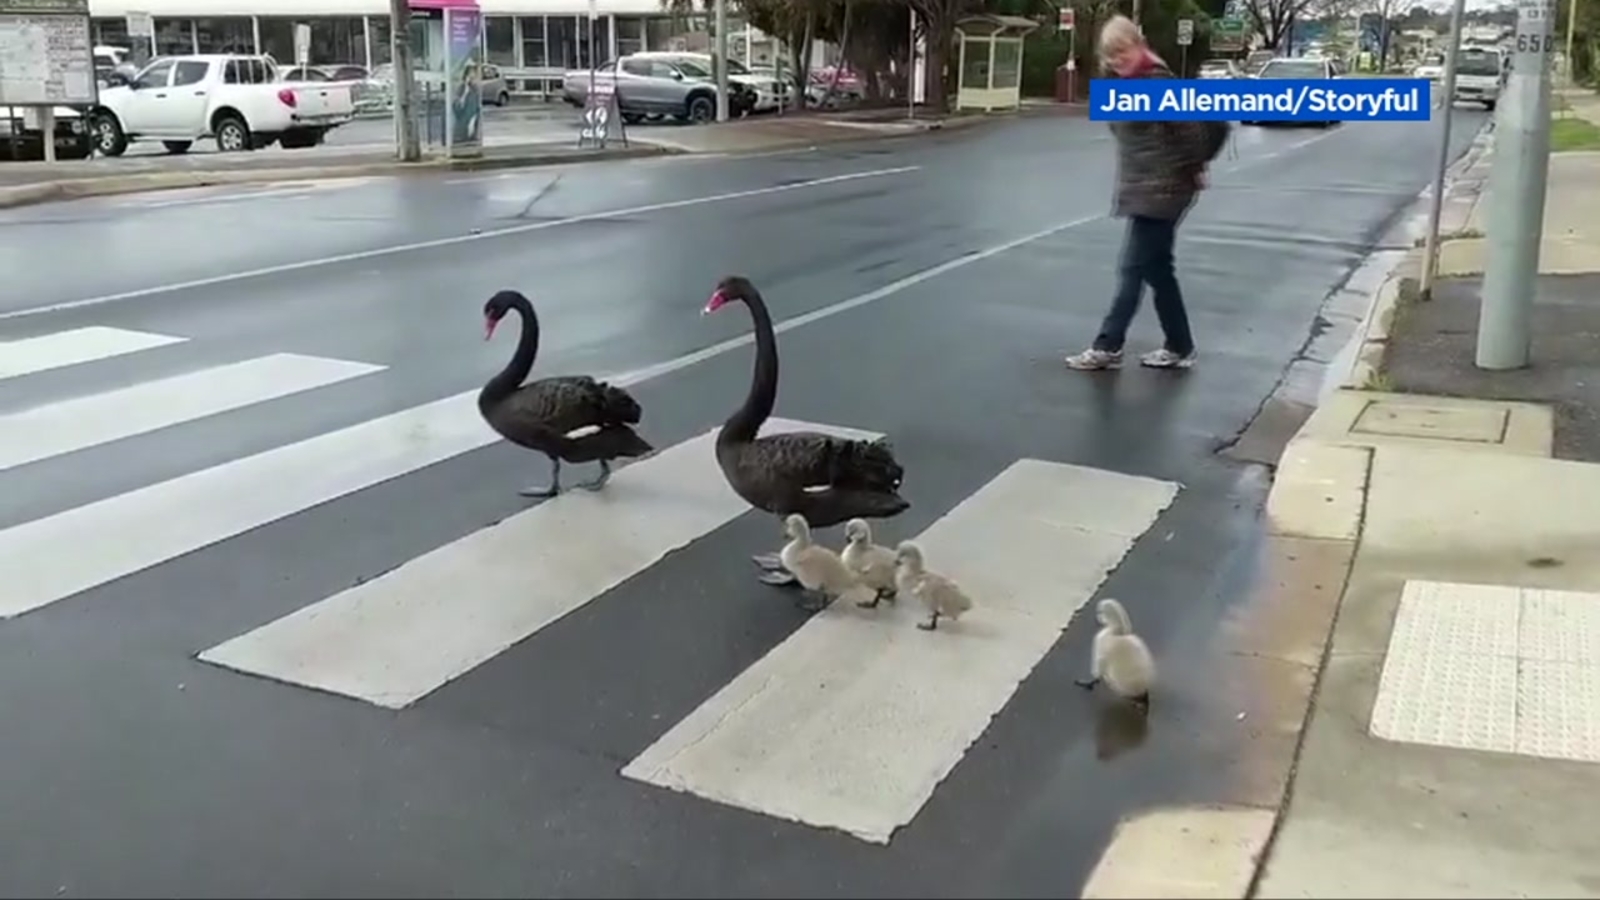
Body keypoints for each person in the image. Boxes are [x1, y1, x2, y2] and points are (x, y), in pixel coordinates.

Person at [1064, 15, 1228, 372]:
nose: (1118, 60)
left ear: (1137, 43)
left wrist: (1191, 166)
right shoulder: (1127, 82)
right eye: (1111, 55)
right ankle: (1180, 345)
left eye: (1123, 51)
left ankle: (1108, 345)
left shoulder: (1155, 80)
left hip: (1164, 190)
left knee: (1132, 268)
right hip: (1146, 186)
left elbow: (1193, 133)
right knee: (1157, 270)